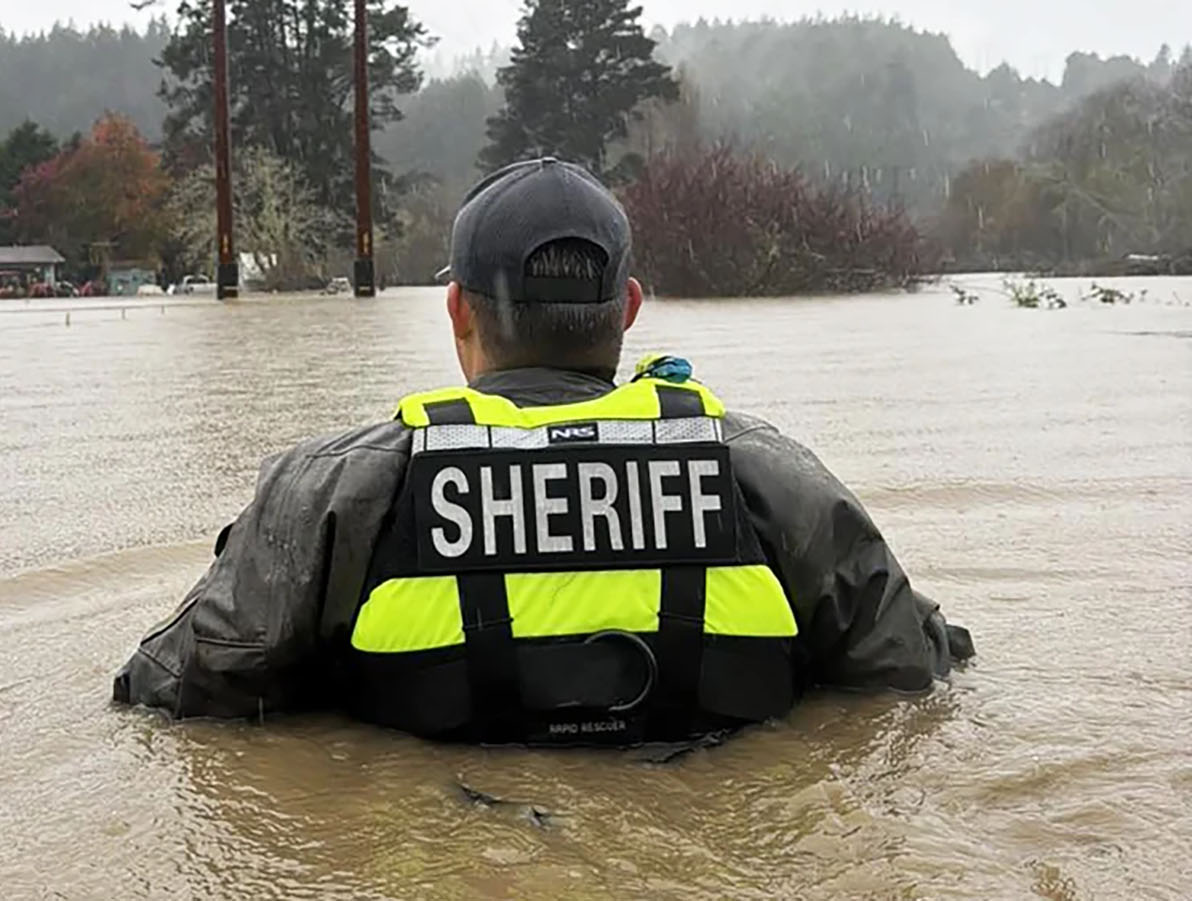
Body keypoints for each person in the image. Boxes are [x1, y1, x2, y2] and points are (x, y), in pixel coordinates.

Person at [112, 158, 973, 747]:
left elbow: (168, 691)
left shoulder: (334, 490)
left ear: (456, 309)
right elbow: (915, 671)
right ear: (628, 307)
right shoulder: (770, 475)